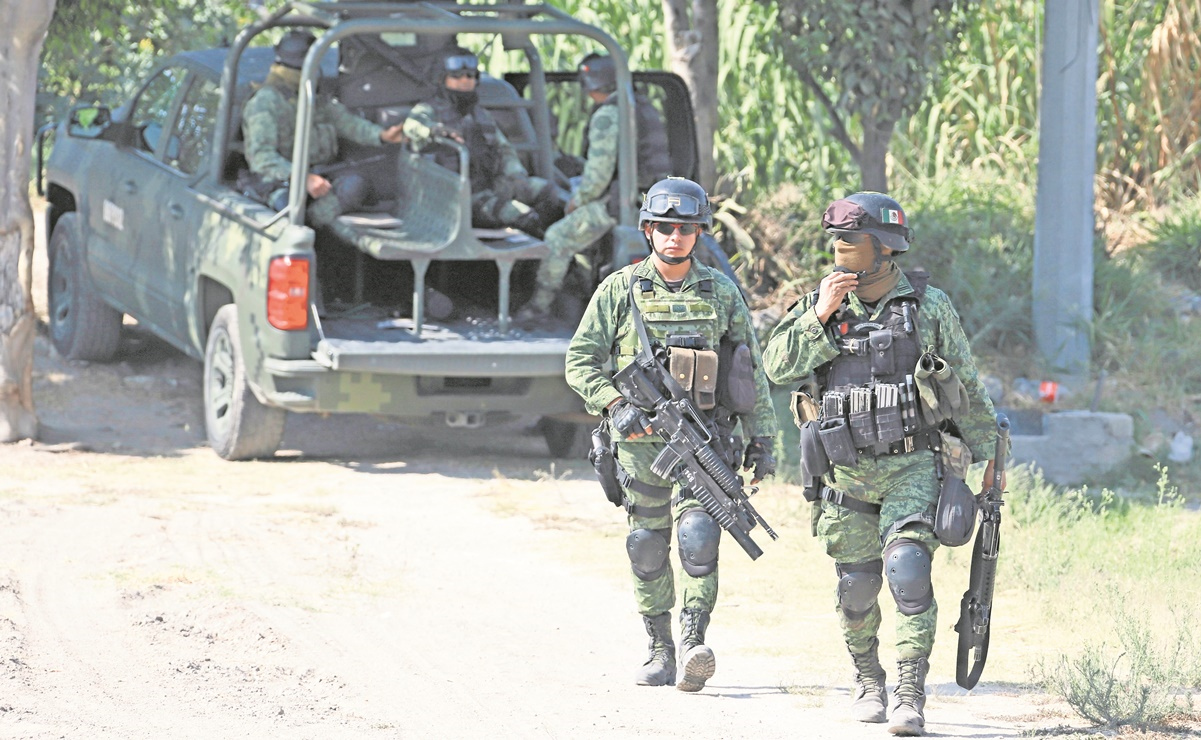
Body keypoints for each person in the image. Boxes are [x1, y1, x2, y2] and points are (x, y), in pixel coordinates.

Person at [762, 192, 1005, 736]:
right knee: (857, 588)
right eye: (836, 240)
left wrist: (992, 457)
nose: (838, 249)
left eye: (850, 240)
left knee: (909, 570)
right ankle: (868, 679)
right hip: (843, 474)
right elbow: (775, 369)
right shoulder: (817, 305)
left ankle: (909, 693)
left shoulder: (928, 306)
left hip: (912, 466)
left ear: (883, 248)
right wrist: (820, 315)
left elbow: (964, 384)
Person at [564, 177, 778, 692]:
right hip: (639, 449)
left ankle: (692, 640)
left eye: (686, 228)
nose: (675, 237)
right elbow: (579, 361)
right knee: (647, 545)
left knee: (700, 536)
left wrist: (763, 440)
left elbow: (749, 372)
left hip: (704, 443)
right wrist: (615, 404)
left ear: (700, 233)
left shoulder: (719, 291)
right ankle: (658, 647)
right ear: (648, 230)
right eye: (665, 227)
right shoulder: (619, 290)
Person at [519, 53, 672, 320]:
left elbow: (598, 177)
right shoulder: (640, 107)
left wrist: (577, 200)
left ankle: (538, 308)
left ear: (591, 85)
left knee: (557, 238)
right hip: (648, 200)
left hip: (623, 203)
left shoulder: (609, 115)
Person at [241, 30, 406, 228]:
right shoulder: (266, 102)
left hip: (321, 174)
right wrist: (301, 178)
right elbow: (261, 157)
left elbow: (347, 122)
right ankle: (306, 229)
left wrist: (381, 135)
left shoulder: (314, 97)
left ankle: (313, 226)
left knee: (354, 186)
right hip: (281, 180)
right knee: (288, 209)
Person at [403, 48, 566, 237]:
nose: (465, 81)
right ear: (441, 79)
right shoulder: (428, 111)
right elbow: (411, 127)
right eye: (456, 76)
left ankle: (544, 247)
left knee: (547, 192)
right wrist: (433, 131)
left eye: (470, 76)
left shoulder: (481, 115)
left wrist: (516, 175)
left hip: (489, 185)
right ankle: (532, 259)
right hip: (451, 197)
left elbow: (504, 149)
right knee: (522, 216)